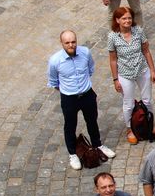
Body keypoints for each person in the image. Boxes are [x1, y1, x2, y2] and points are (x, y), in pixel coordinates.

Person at [48, 30, 116, 170]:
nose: (71, 45)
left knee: (92, 121)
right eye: (67, 43)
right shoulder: (55, 61)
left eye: (73, 42)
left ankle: (98, 145)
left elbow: (90, 68)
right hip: (69, 98)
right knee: (70, 125)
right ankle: (73, 153)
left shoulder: (85, 52)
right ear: (62, 43)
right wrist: (69, 90)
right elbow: (54, 81)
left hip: (87, 94)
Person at [107, 6, 155, 144]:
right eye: (124, 18)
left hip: (142, 70)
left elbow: (146, 51)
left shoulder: (139, 31)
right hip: (125, 74)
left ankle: (149, 125)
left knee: (147, 100)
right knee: (128, 104)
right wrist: (115, 79)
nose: (127, 20)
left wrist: (152, 70)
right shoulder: (112, 37)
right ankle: (130, 129)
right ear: (117, 20)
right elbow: (113, 59)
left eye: (129, 18)